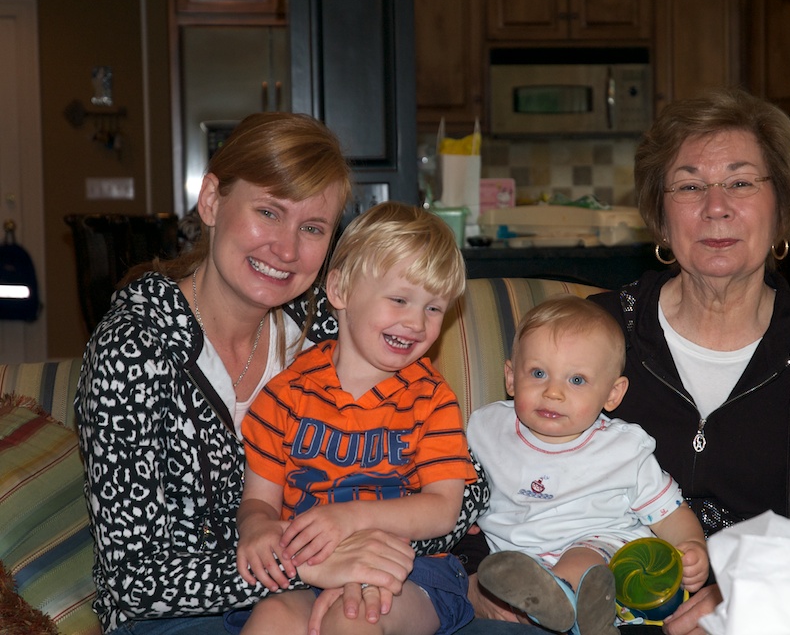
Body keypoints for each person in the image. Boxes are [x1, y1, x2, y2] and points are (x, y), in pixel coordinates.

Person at [74, 113, 528, 635]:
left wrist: (357, 544)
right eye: (268, 212)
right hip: (185, 614)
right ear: (212, 200)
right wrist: (307, 565)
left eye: (312, 228)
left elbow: (467, 493)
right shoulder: (133, 349)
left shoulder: (330, 324)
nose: (287, 250)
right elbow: (134, 580)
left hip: (358, 582)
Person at [581, 87, 790, 634]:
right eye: (689, 186)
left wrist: (740, 596)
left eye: (741, 182)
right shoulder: (599, 331)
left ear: (781, 210)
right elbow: (511, 474)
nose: (716, 206)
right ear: (661, 217)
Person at [235, 201, 477, 635]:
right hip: (310, 567)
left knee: (354, 621)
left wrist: (350, 518)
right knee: (269, 620)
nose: (416, 323)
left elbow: (444, 509)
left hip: (411, 569)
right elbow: (259, 500)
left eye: (434, 308)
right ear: (341, 290)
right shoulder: (284, 396)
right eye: (400, 299)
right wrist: (256, 528)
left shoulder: (432, 399)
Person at [467, 296, 710, 635]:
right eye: (538, 373)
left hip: (602, 557)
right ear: (510, 377)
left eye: (577, 380)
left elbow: (669, 512)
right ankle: (569, 615)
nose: (553, 392)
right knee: (508, 572)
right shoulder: (485, 429)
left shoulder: (622, 450)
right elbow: (454, 485)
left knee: (583, 558)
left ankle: (574, 604)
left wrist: (693, 546)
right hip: (519, 569)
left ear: (612, 393)